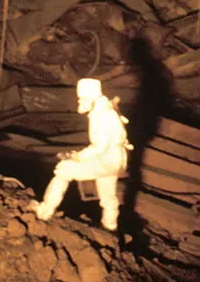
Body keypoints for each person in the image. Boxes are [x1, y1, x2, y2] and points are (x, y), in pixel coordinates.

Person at [32, 78, 132, 231]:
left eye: (82, 97)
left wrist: (78, 156)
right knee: (108, 196)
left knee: (63, 170)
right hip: (116, 160)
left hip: (107, 160)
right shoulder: (104, 111)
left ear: (92, 95)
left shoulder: (104, 114)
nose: (79, 101)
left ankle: (44, 212)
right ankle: (110, 227)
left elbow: (101, 146)